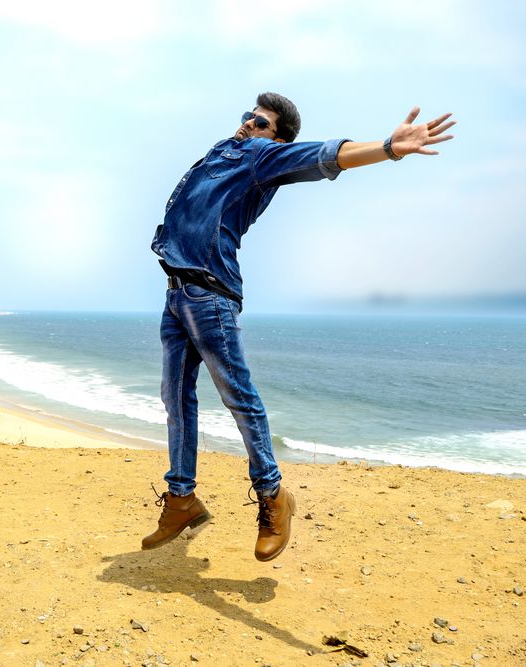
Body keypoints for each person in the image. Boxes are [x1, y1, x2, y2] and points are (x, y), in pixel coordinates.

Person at [144, 92, 455, 561]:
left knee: (239, 398)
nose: (249, 123)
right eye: (249, 116)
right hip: (176, 293)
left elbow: (325, 155)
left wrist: (389, 147)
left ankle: (273, 496)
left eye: (261, 122)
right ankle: (182, 499)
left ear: (277, 138)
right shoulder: (222, 151)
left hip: (210, 295)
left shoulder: (260, 157)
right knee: (175, 398)